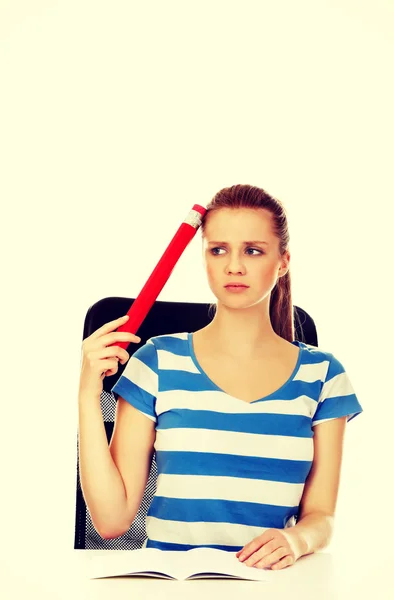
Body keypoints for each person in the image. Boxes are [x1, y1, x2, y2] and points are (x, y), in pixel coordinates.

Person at [78, 184, 363, 570]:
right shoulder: (156, 362)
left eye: (253, 250)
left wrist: (296, 540)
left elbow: (322, 517)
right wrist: (87, 390)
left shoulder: (324, 375)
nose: (234, 266)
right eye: (218, 249)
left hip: (272, 586)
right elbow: (111, 522)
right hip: (171, 585)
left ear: (283, 261)